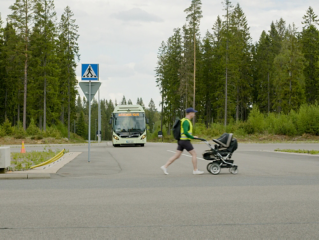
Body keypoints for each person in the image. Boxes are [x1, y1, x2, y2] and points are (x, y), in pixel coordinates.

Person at [161, 108, 204, 175]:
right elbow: (185, 132)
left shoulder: (184, 120)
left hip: (181, 141)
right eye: (194, 113)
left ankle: (165, 166)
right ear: (190, 113)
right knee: (194, 154)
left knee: (177, 155)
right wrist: (192, 137)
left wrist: (192, 136)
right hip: (185, 141)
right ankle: (195, 170)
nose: (194, 114)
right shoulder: (186, 121)